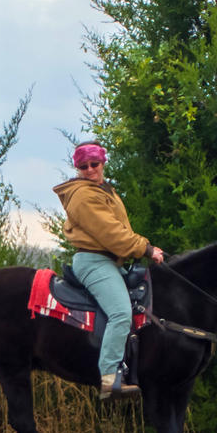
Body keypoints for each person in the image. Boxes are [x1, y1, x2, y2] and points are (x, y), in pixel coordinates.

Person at [53, 142, 164, 398]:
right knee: (121, 313)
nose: (90, 170)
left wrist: (144, 246)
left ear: (103, 163)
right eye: (84, 166)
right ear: (77, 168)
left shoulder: (104, 191)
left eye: (95, 164)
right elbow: (111, 233)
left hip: (110, 262)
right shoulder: (83, 195)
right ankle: (108, 377)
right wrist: (145, 249)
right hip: (94, 261)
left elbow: (120, 230)